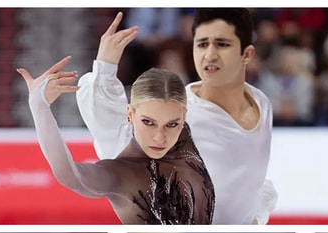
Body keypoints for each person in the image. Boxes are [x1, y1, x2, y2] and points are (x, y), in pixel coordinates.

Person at [76, 10, 274, 224]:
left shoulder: (261, 102)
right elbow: (115, 143)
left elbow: (250, 182)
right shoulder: (177, 114)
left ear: (247, 54)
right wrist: (105, 70)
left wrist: (255, 219)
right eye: (202, 44)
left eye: (222, 44)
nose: (209, 55)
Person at [20, 59, 214, 224]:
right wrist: (40, 107)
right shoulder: (121, 173)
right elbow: (69, 175)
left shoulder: (183, 135)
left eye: (172, 124)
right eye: (148, 122)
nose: (159, 137)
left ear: (184, 117)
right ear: (130, 114)